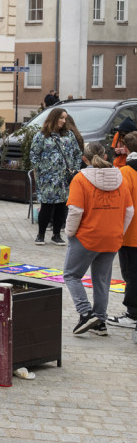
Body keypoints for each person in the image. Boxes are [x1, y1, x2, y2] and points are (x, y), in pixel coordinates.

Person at [64, 142, 133, 336]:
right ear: (105, 157)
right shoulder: (120, 178)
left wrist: (70, 232)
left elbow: (76, 211)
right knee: (102, 280)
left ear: (84, 159)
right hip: (112, 237)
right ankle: (100, 321)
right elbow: (129, 210)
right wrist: (119, 231)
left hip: (87, 236)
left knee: (71, 275)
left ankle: (85, 313)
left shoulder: (80, 179)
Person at [30, 107, 83, 246]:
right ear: (54, 118)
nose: (64, 121)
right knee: (46, 206)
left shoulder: (69, 135)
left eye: (65, 118)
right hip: (48, 178)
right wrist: (42, 170)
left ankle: (57, 235)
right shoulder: (41, 136)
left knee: (61, 206)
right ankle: (41, 235)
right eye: (61, 118)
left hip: (65, 178)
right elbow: (34, 155)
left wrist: (74, 169)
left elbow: (77, 153)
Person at [108, 131, 137, 329]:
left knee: (132, 275)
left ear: (125, 148)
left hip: (130, 233)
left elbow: (121, 204)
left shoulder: (125, 172)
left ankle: (133, 314)